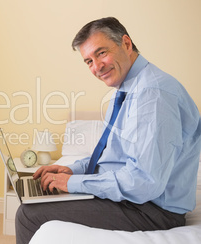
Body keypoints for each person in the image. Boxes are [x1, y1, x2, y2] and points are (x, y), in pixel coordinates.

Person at [15, 17, 201, 243]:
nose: (96, 67)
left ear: (126, 44)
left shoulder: (152, 95)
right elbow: (112, 157)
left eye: (101, 53)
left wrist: (72, 184)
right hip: (137, 200)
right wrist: (72, 170)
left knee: (29, 215)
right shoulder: (129, 89)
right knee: (37, 199)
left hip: (151, 210)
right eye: (88, 61)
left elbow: (144, 182)